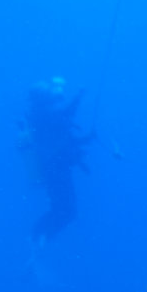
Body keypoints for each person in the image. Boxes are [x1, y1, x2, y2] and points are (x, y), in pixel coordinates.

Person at [18, 77, 94, 242]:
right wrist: (79, 96)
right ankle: (37, 237)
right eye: (49, 98)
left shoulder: (42, 117)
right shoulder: (43, 116)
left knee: (65, 211)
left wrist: (85, 139)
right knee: (66, 211)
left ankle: (39, 237)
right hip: (55, 169)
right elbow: (65, 116)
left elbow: (63, 129)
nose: (54, 101)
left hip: (55, 169)